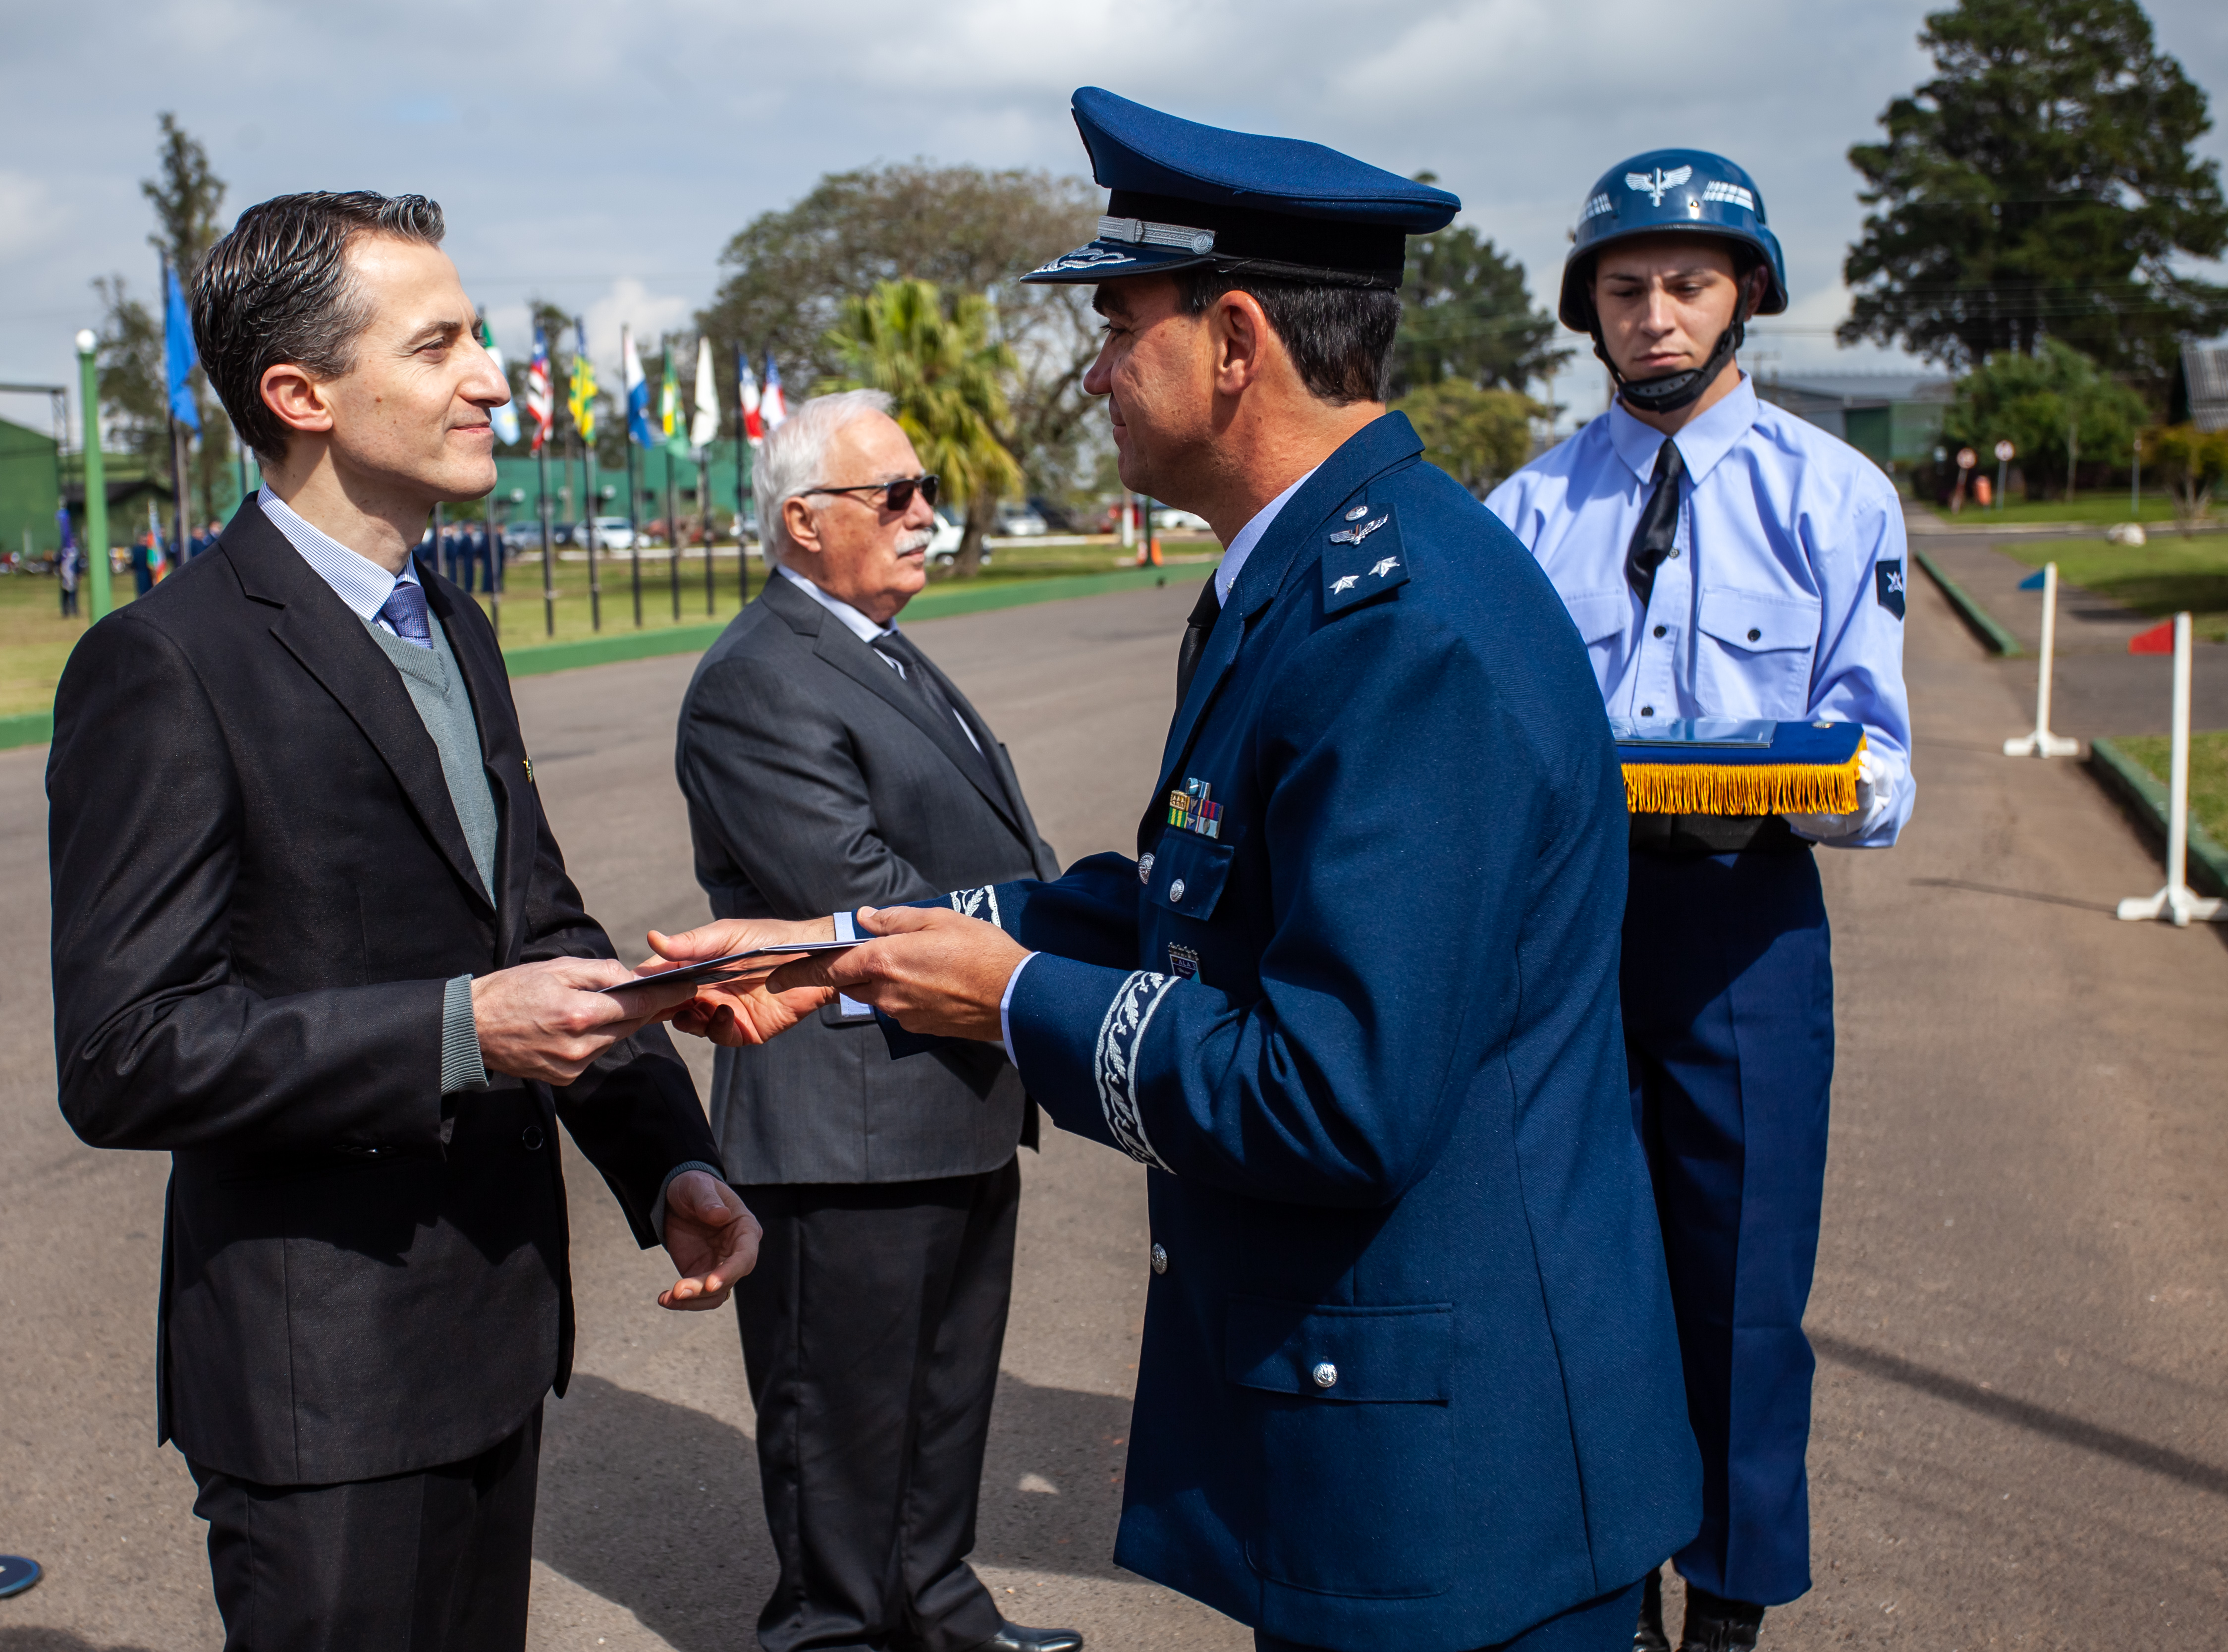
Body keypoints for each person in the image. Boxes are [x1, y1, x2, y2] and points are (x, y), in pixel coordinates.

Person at [655, 88, 1701, 1652]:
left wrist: (1010, 1002)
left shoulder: (1393, 628)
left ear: (1231, 341)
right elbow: (1189, 906)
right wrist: (856, 937)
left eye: (1116, 322)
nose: (1090, 370)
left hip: (1457, 1490)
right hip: (1383, 1445)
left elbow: (1333, 1090)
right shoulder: (1301, 580)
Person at [47, 188, 761, 1652]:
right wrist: (462, 1029)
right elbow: (125, 1050)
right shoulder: (162, 664)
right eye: (438, 345)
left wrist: (665, 1154)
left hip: (491, 1340)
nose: (491, 376)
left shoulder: (452, 622)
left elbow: (535, 924)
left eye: (478, 337)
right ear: (299, 394)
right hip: (325, 1388)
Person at [1484, 151, 1913, 1652]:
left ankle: (1725, 1609)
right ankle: (1601, 1579)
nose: (1654, 316)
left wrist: (1789, 781)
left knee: (1737, 1289)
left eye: (1687, 283)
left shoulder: (1833, 494)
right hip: (1571, 935)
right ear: (1584, 311)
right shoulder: (1521, 512)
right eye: (1623, 288)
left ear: (1744, 297)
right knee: (1570, 1269)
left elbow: (1883, 765)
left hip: (1743, 925)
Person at [676, 389, 1076, 1652]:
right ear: (800, 521)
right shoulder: (758, 679)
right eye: (891, 495)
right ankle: (835, 1629)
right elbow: (859, 899)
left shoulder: (874, 646)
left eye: (921, 491)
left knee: (944, 1396)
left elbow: (987, 845)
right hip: (842, 1119)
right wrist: (1039, 932)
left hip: (950, 1088)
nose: (924, 516)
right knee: (838, 1427)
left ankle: (938, 1605)